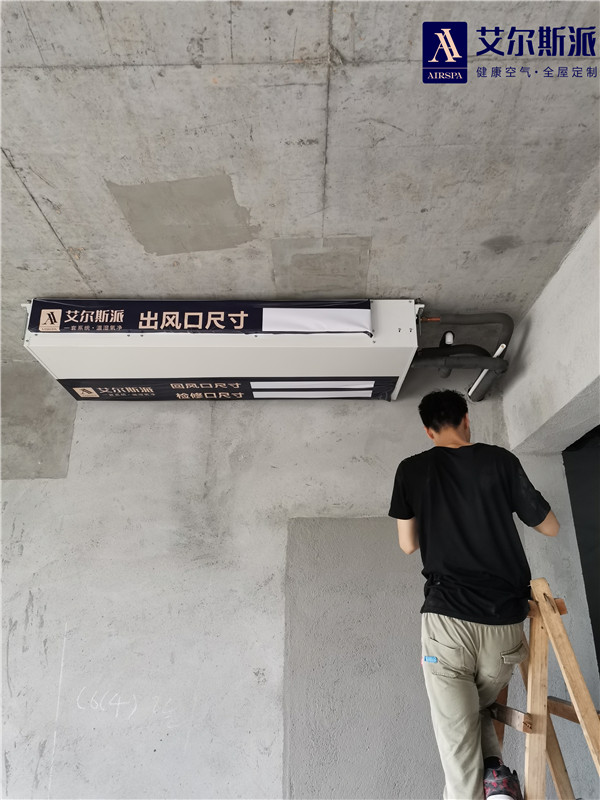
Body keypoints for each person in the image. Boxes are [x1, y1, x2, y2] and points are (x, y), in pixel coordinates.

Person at [388, 389, 559, 800]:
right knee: (476, 710)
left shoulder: (411, 470)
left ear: (428, 431)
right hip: (504, 621)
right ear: (467, 420)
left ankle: (484, 786)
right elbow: (550, 526)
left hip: (447, 621)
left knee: (457, 735)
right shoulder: (500, 461)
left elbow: (407, 545)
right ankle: (496, 781)